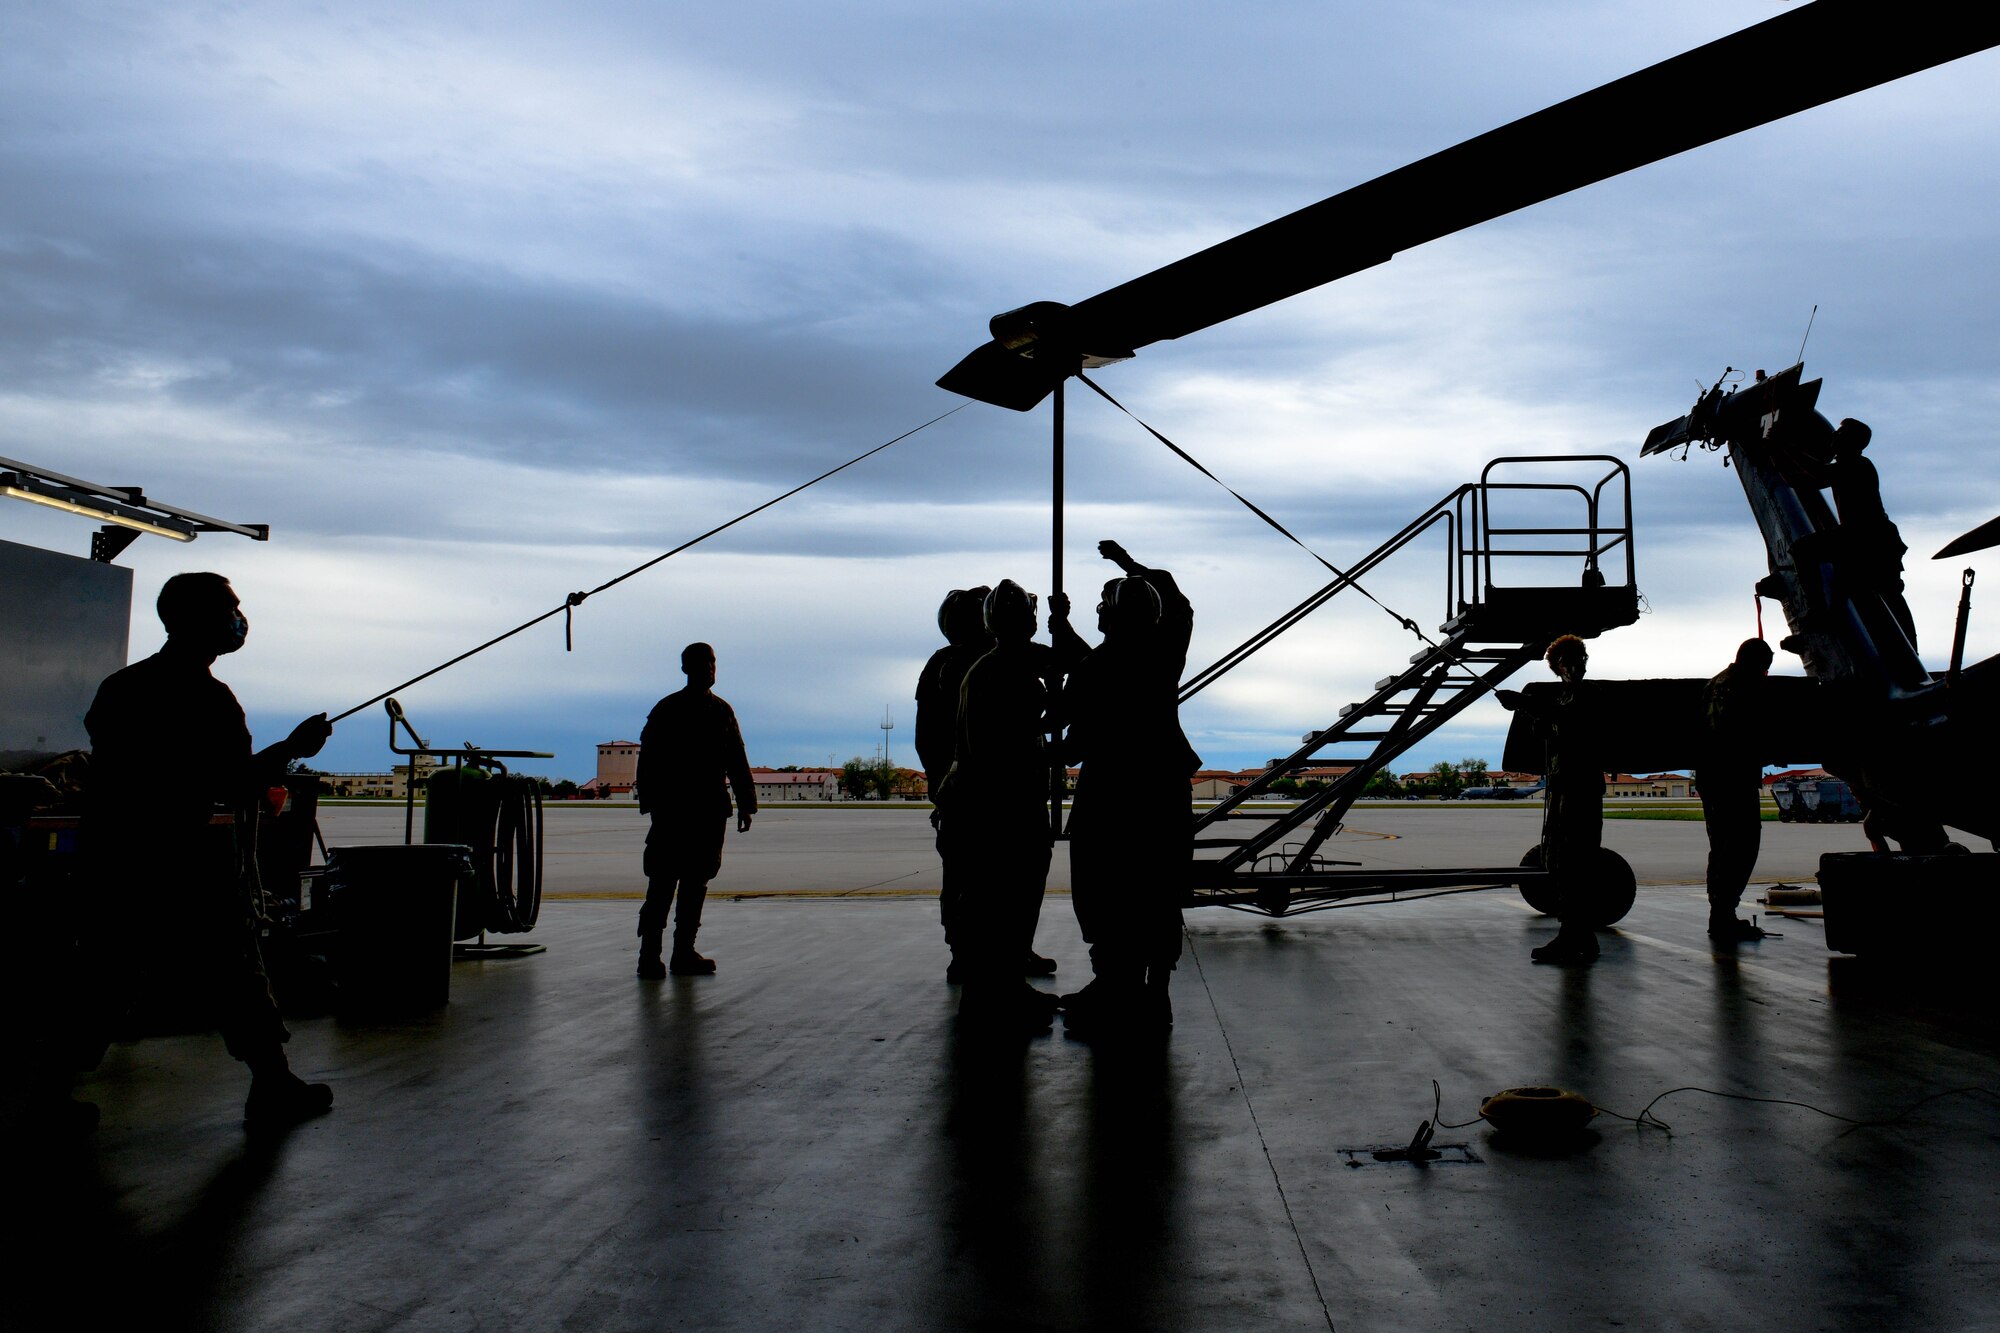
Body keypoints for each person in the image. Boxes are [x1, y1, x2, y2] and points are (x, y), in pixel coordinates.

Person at [71, 571, 335, 1130]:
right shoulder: (206, 698)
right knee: (229, 969)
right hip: (165, 858)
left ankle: (47, 1090)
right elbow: (232, 781)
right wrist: (291, 748)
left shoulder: (124, 686)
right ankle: (272, 1084)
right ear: (195, 618)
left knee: (108, 976)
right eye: (230, 608)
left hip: (115, 855)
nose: (240, 619)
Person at [1052, 542, 1200, 1035]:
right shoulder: (1165, 653)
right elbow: (1178, 603)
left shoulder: (1095, 669)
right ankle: (1154, 994)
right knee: (1159, 893)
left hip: (1110, 801)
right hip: (1163, 795)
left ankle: (1115, 986)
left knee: (1105, 896)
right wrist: (1129, 565)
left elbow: (1071, 743)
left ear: (1110, 618)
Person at [937, 581, 1060, 1033]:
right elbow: (1019, 739)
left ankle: (1004, 988)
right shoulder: (1005, 671)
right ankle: (994, 999)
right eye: (1029, 614)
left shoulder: (1000, 664)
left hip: (990, 801)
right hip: (1000, 806)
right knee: (1004, 901)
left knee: (1001, 903)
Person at [635, 643, 756, 978]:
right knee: (661, 883)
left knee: (695, 883)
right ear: (686, 668)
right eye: (704, 663)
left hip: (708, 811)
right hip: (674, 812)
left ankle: (683, 952)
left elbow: (736, 759)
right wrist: (653, 805)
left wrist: (746, 804)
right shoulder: (667, 709)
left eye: (713, 662)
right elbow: (647, 762)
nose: (710, 668)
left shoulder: (721, 710)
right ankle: (649, 955)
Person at [1497, 634, 1602, 965]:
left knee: (1571, 862)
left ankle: (1573, 937)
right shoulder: (1566, 697)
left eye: (1579, 660)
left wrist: (1526, 704)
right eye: (1568, 662)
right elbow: (1557, 728)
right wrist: (1535, 717)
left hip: (1578, 789)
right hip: (1564, 786)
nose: (1576, 667)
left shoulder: (1583, 696)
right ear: (1557, 667)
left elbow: (1571, 721)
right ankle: (1580, 935)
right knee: (1562, 861)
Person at [1698, 638, 1774, 942]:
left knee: (1722, 849)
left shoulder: (1715, 684)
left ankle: (1721, 915)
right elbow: (1742, 733)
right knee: (1740, 848)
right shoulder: (1742, 687)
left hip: (1714, 777)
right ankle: (1723, 916)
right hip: (1733, 779)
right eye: (1764, 668)